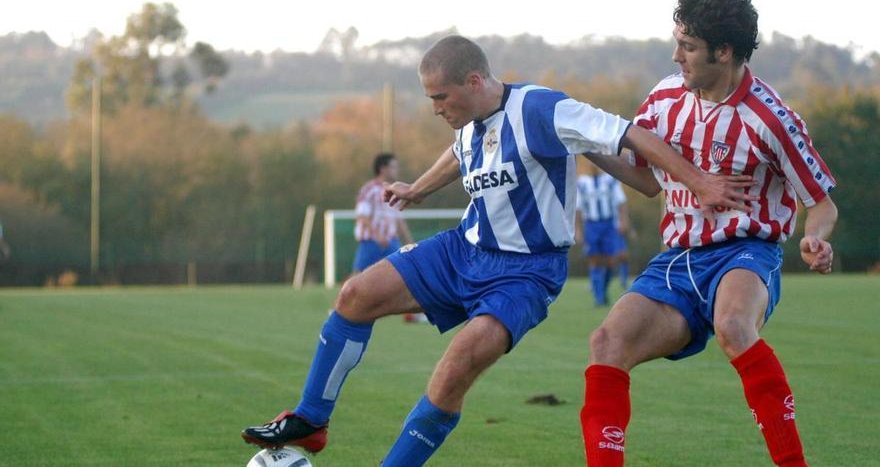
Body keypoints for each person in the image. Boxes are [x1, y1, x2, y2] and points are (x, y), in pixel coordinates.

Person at [241, 34, 753, 466]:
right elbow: (457, 153)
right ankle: (311, 421)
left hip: (525, 274)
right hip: (464, 251)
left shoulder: (541, 107)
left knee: (458, 364)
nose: (436, 108)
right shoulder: (468, 125)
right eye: (429, 99)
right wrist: (419, 188)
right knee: (354, 295)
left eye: (440, 97)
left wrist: (700, 183)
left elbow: (632, 135)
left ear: (474, 82)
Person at [579, 0, 838, 466]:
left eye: (688, 47)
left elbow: (821, 203)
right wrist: (584, 144)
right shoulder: (663, 99)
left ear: (723, 51)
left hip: (745, 252)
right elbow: (648, 181)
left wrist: (814, 239)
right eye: (677, 43)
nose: (677, 57)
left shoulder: (771, 118)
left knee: (734, 324)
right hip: (677, 261)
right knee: (606, 342)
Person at [575, 162, 632, 306]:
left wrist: (624, 221)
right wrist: (578, 230)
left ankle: (603, 290)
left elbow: (621, 202)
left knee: (611, 261)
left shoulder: (611, 180)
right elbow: (578, 209)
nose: (593, 166)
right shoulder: (581, 183)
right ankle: (598, 298)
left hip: (608, 224)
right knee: (594, 259)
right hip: (591, 225)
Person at [352, 153, 413, 274]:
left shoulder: (395, 190)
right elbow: (362, 216)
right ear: (383, 168)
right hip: (371, 241)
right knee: (360, 274)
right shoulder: (369, 189)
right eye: (393, 167)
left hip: (391, 240)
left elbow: (399, 220)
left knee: (400, 273)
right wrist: (377, 235)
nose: (397, 170)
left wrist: (410, 242)